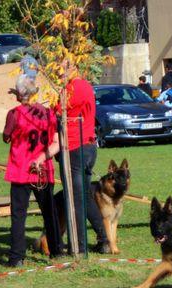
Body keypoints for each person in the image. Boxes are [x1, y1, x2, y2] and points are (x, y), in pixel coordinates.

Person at [2, 75, 63, 266]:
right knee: (49, 212)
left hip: (21, 169)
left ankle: (16, 256)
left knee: (19, 215)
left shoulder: (15, 114)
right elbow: (56, 141)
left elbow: (6, 136)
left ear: (19, 94)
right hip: (43, 168)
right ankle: (57, 251)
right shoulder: (48, 113)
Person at [59, 63, 109, 254]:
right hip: (86, 146)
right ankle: (103, 238)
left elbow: (61, 111)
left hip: (75, 146)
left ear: (73, 69)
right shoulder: (84, 86)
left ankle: (79, 246)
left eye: (62, 70)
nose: (59, 74)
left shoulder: (74, 88)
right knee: (85, 196)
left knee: (76, 198)